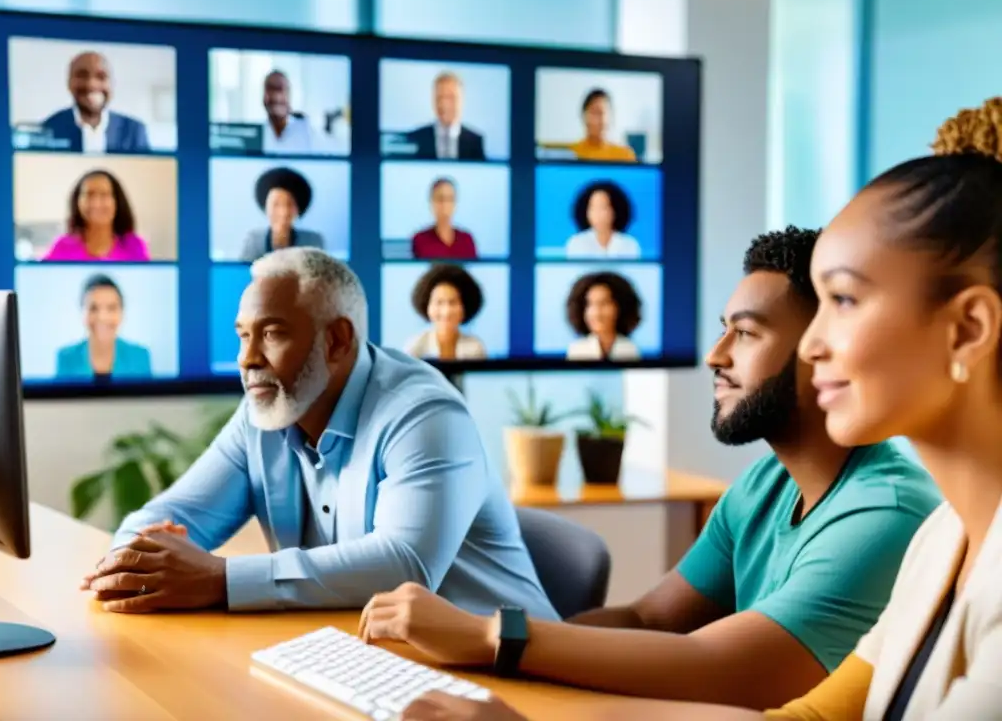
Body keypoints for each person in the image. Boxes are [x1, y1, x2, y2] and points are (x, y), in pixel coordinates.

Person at [358, 226, 943, 717]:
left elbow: (725, 668)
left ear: (822, 350)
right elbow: (651, 618)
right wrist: (505, 670)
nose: (715, 355)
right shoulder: (766, 483)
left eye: (745, 333)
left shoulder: (884, 515)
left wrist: (494, 639)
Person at [79, 248, 554, 620]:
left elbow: (404, 566)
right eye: (244, 335)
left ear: (338, 340)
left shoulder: (426, 415)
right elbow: (171, 514)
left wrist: (219, 579)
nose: (247, 359)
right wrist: (132, 562)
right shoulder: (263, 412)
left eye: (272, 333)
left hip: (519, 677)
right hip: (374, 664)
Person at [760, 99, 1002, 720]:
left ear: (968, 329)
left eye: (843, 299)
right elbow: (811, 720)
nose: (810, 347)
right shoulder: (941, 538)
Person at [40, 51, 150, 154]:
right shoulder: (49, 129)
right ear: (69, 83)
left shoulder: (134, 131)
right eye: (82, 76)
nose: (92, 84)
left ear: (111, 84)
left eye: (101, 77)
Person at [55, 273, 152, 382]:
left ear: (122, 313)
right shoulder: (66, 357)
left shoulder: (140, 356)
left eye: (111, 308)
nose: (102, 317)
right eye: (93, 308)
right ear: (82, 312)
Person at [41, 170, 150, 262]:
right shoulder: (62, 247)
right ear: (77, 202)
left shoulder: (134, 246)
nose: (96, 203)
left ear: (117, 202)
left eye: (104, 195)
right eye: (89, 194)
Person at [239, 166, 325, 262]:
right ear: (265, 206)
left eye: (290, 204)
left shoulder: (312, 242)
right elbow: (243, 273)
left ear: (299, 208)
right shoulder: (254, 241)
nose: (283, 212)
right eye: (276, 204)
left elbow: (319, 274)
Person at [404, 264, 487, 360]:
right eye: (439, 302)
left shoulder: (475, 347)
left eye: (453, 302)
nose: (446, 311)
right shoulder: (415, 346)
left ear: (465, 306)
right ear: (426, 305)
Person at [404, 72, 486, 161]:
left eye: (451, 98)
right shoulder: (415, 138)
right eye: (440, 98)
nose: (444, 104)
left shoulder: (475, 141)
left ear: (461, 101)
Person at [260, 70, 343, 156]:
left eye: (280, 89)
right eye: (270, 90)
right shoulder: (257, 134)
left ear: (289, 95)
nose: (276, 96)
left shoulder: (307, 130)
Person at [565, 271, 643, 360]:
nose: (597, 312)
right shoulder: (576, 350)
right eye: (590, 304)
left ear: (620, 307)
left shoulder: (631, 350)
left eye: (604, 303)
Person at [564, 180, 642, 259]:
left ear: (614, 211)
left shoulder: (630, 244)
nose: (598, 214)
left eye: (603, 208)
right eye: (593, 208)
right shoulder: (576, 243)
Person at [411, 177, 478, 260]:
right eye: (440, 199)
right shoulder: (420, 240)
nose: (445, 205)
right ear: (432, 203)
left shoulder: (466, 240)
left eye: (450, 199)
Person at [567, 89, 637, 163]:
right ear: (584, 116)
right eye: (596, 113)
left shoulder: (625, 156)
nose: (602, 120)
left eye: (604, 113)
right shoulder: (570, 154)